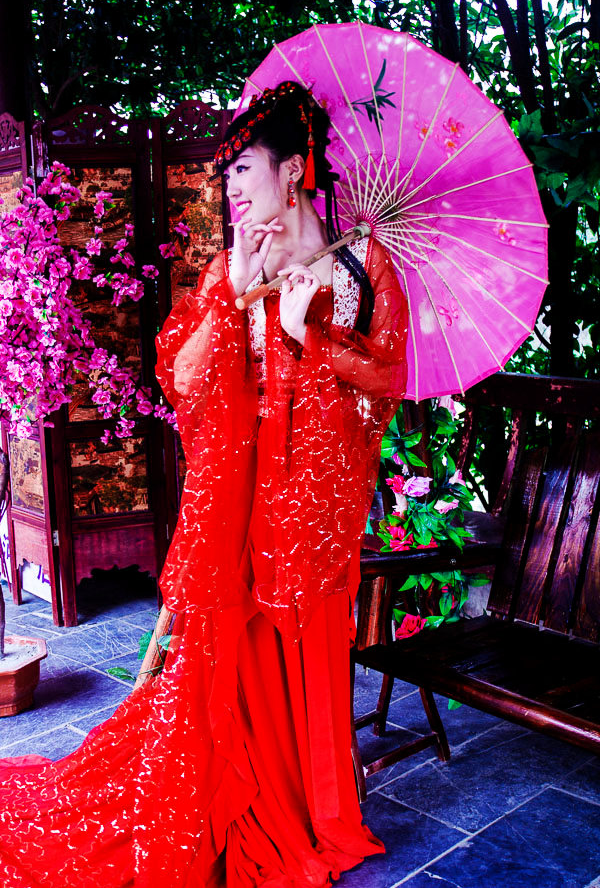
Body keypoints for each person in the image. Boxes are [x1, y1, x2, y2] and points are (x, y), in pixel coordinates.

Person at [0, 81, 408, 887]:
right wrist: (231, 296)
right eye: (226, 176)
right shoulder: (230, 266)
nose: (231, 189)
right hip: (242, 505)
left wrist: (307, 337)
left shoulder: (363, 262)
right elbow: (184, 381)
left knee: (310, 643)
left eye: (243, 170)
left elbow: (384, 382)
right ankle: (253, 798)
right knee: (237, 655)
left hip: (314, 504)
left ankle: (317, 805)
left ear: (293, 170)